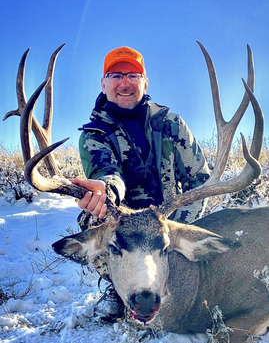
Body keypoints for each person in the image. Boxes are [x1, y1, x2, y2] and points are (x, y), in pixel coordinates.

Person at [71, 46, 210, 229]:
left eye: (133, 75)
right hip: (123, 230)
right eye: (116, 76)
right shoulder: (94, 135)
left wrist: (176, 229)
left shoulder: (171, 124)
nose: (125, 83)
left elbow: (199, 180)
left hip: (170, 226)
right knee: (92, 219)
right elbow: (108, 173)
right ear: (103, 85)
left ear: (145, 84)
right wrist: (108, 190)